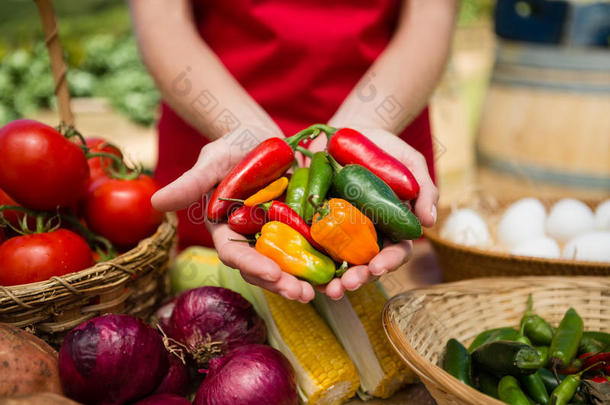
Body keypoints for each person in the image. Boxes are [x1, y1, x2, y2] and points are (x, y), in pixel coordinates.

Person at [129, 0, 458, 303]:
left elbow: (431, 13)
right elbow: (163, 19)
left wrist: (361, 127)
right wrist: (238, 128)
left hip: (384, 107)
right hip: (213, 110)